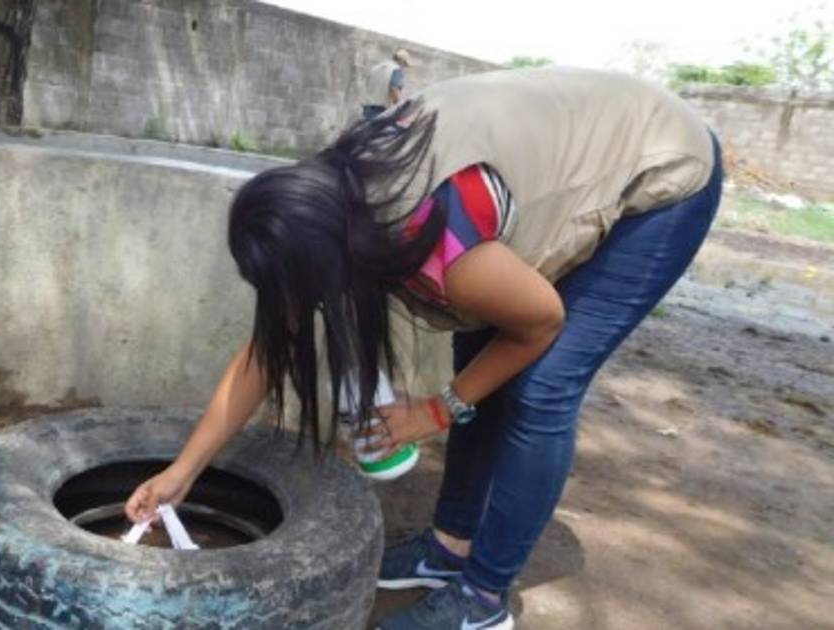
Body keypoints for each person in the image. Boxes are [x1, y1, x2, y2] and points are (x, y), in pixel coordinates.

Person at [124, 67, 721, 630]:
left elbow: (540, 323)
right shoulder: (325, 208)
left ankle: (483, 601)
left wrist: (434, 411)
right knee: (479, 360)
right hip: (543, 157)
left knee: (541, 388)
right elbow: (266, 351)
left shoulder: (440, 245)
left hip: (659, 166)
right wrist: (183, 470)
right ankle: (447, 547)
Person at [364, 48, 410, 119]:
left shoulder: (376, 68)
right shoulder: (396, 70)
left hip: (367, 108)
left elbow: (367, 85)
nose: (404, 68)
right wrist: (401, 107)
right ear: (402, 61)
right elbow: (394, 90)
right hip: (380, 111)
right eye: (404, 65)